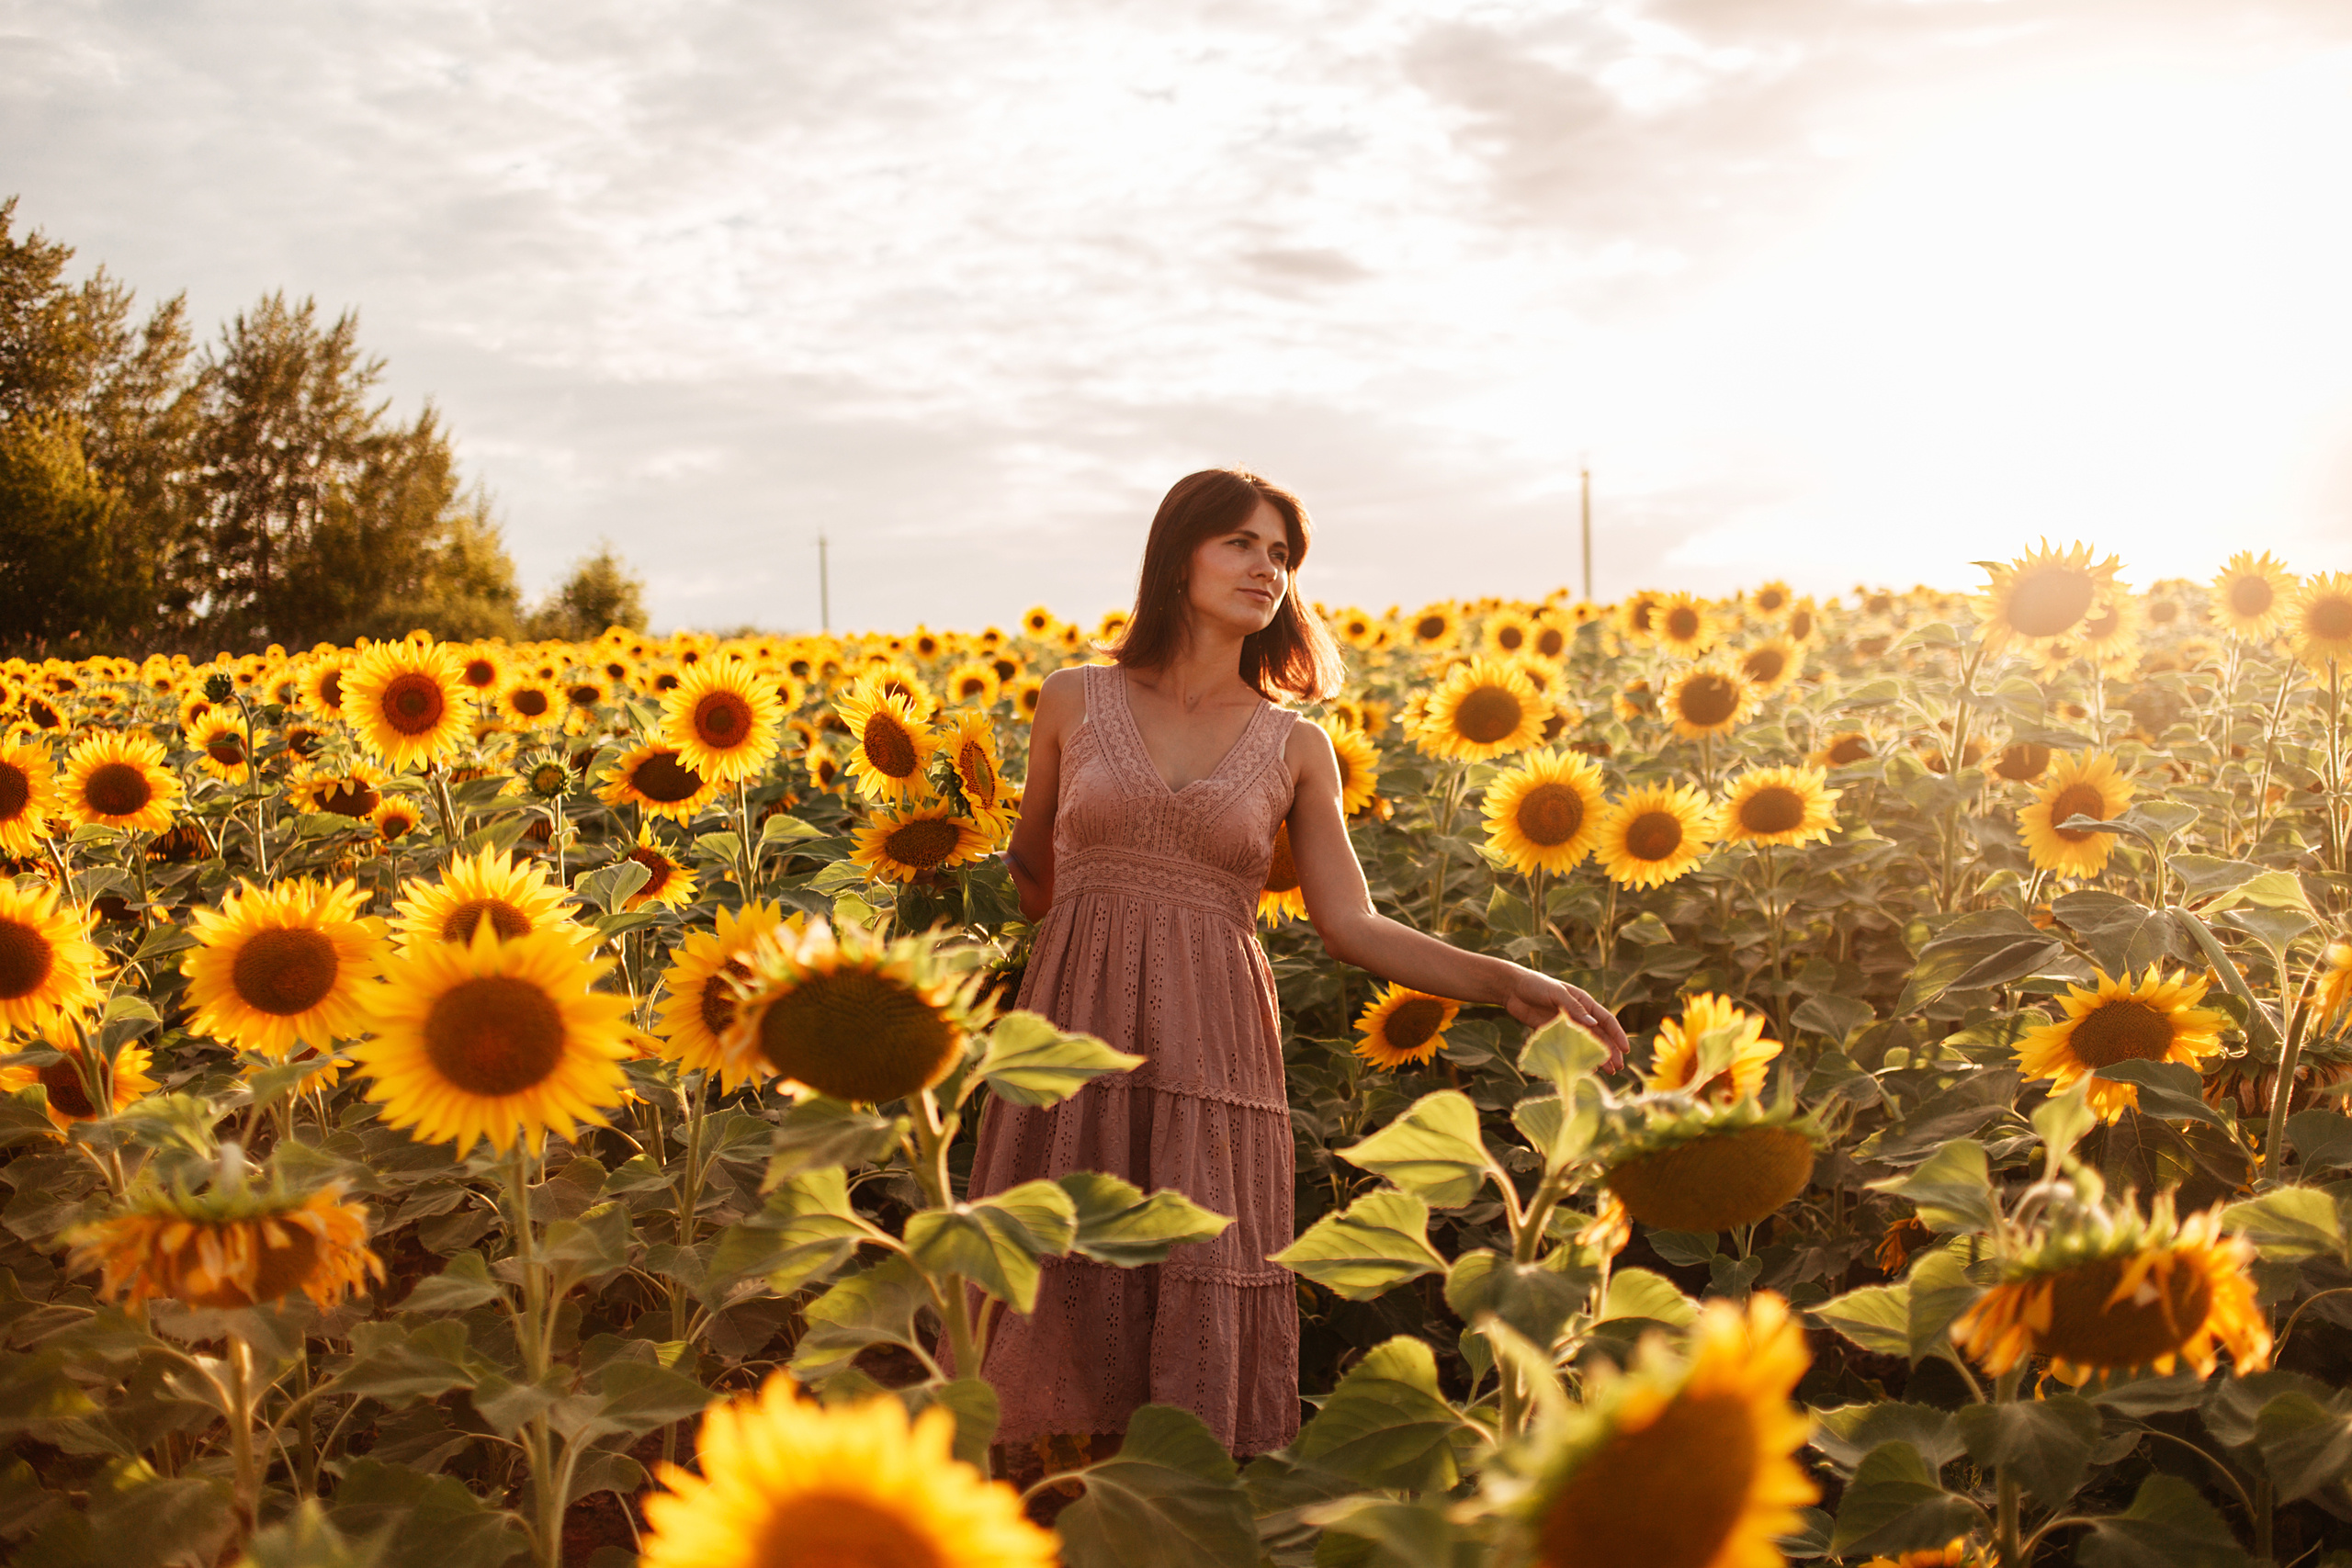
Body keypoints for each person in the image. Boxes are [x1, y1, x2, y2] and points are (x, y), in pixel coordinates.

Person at [962, 468, 1629, 1471]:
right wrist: (938, 851)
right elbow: (1032, 884)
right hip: (1069, 1039)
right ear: (1176, 557)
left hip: (1211, 1050)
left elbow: (1351, 925)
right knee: (1050, 1282)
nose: (1265, 568)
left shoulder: (1295, 744)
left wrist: (1506, 982)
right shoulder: (1072, 700)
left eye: (1282, 555)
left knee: (1189, 1292)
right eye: (1240, 542)